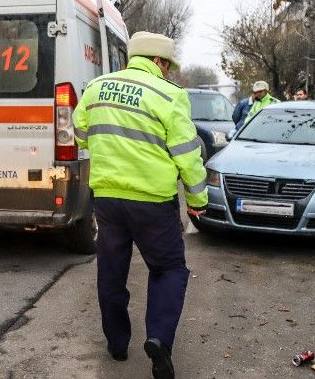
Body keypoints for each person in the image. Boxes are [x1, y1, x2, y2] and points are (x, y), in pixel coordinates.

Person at [72, 31, 208, 379]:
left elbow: (80, 131)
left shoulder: (97, 87)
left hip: (107, 199)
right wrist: (196, 200)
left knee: (111, 272)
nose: (167, 72)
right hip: (153, 203)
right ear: (158, 62)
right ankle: (159, 339)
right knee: (168, 269)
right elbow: (187, 155)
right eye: (167, 65)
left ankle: (117, 345)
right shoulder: (170, 95)